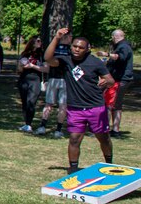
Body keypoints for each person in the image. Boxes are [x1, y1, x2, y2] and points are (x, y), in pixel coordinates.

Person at [44, 27, 115, 172]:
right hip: (75, 107)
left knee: (103, 137)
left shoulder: (95, 62)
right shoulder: (66, 61)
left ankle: (109, 163)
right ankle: (73, 168)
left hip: (95, 107)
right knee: (74, 139)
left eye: (80, 47)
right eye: (74, 46)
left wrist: (104, 83)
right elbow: (48, 58)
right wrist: (57, 38)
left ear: (87, 49)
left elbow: (111, 81)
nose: (77, 49)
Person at [38, 32, 71, 137]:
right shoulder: (71, 51)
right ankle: (58, 129)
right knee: (63, 105)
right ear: (67, 37)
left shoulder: (53, 48)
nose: (71, 38)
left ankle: (42, 126)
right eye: (70, 36)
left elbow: (47, 61)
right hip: (65, 79)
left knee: (48, 104)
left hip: (53, 78)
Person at [104, 29, 133, 138]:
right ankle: (114, 129)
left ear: (114, 37)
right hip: (118, 79)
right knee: (115, 105)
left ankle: (109, 129)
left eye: (112, 38)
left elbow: (121, 57)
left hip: (120, 79)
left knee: (110, 103)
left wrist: (107, 54)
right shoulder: (122, 46)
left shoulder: (123, 47)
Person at [15, 35, 47, 133]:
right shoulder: (25, 54)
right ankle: (26, 123)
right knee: (24, 103)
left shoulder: (42, 54)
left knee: (31, 102)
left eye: (40, 41)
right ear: (32, 42)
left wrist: (32, 66)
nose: (39, 42)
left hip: (35, 80)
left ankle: (29, 124)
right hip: (24, 79)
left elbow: (45, 69)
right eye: (37, 41)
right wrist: (21, 66)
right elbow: (19, 69)